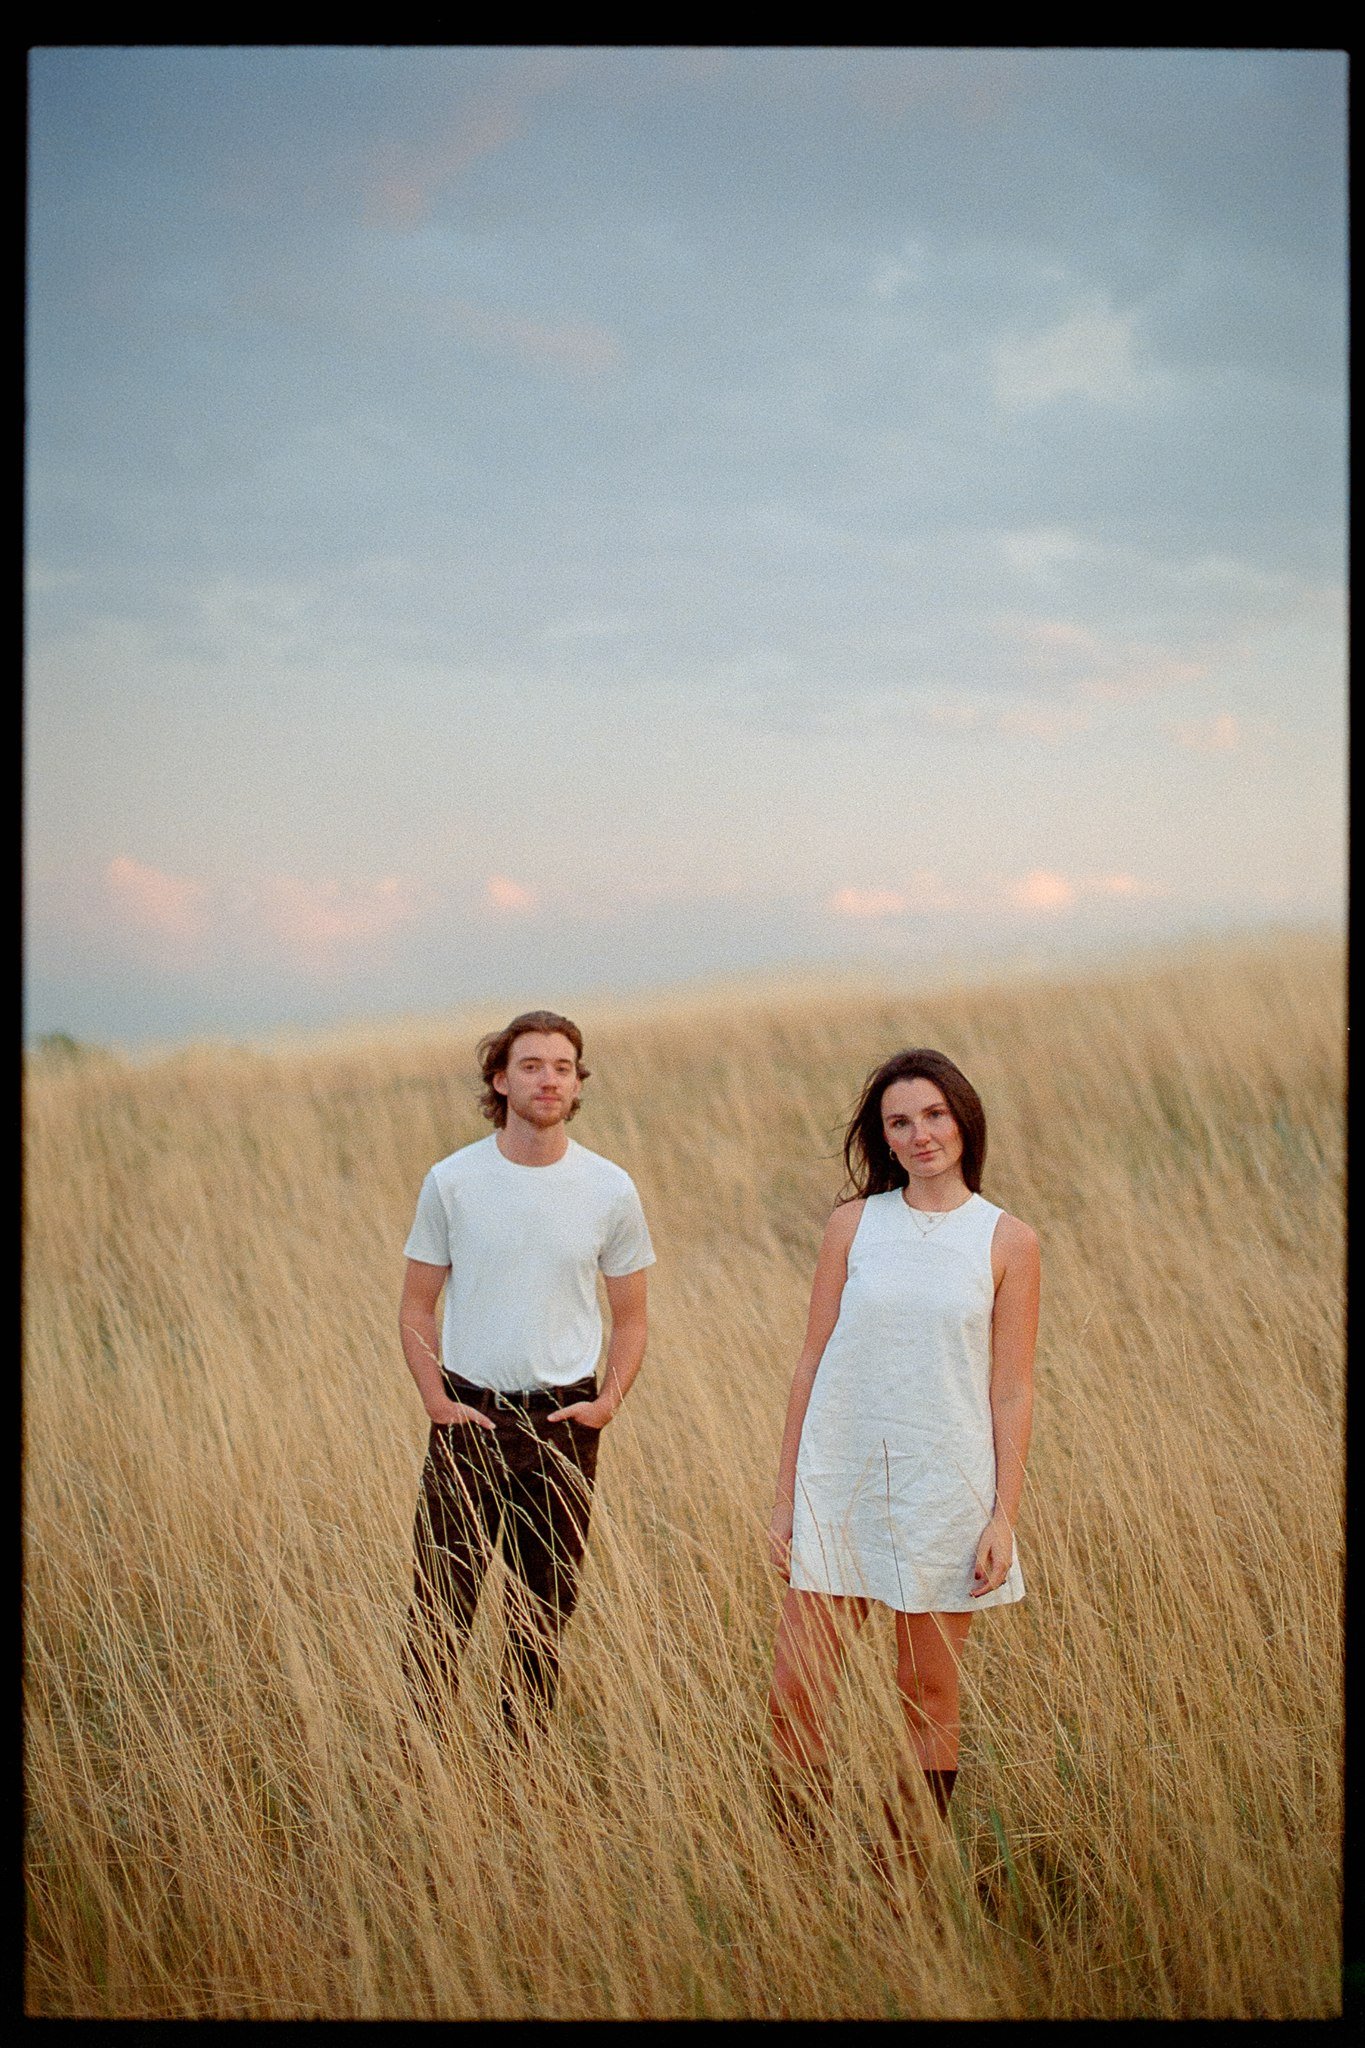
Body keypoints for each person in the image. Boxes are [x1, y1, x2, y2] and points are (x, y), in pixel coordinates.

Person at [766, 1047, 1039, 1851]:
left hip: (944, 1490)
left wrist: (1002, 1517)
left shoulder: (1007, 1241)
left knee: (925, 1691)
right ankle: (805, 1868)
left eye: (933, 1115)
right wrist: (786, 1499)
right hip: (840, 1484)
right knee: (794, 1691)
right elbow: (811, 1359)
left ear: (961, 1120)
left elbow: (1012, 1389)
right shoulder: (853, 1226)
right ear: (881, 1137)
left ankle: (902, 1873)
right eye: (899, 1122)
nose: (920, 1134)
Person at [400, 1009, 655, 1740]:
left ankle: (522, 1775)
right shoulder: (452, 1181)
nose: (549, 1078)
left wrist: (606, 1403)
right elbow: (417, 1307)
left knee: (543, 1613)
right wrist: (434, 1401)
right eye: (532, 1065)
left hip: (564, 1421)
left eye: (564, 1067)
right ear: (499, 1078)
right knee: (439, 1608)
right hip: (469, 1414)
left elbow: (631, 1318)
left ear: (578, 1085)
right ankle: (423, 1769)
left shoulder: (608, 1189)